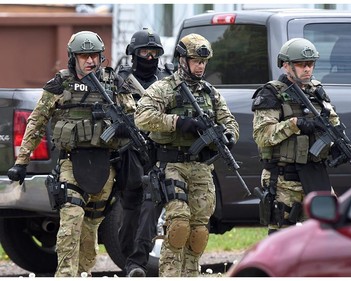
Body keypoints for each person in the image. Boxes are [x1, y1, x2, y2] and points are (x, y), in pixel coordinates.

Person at [7, 31, 136, 277]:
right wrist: (22, 161)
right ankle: (65, 274)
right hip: (71, 162)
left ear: (101, 57)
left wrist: (124, 127)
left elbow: (136, 117)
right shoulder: (60, 85)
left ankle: (82, 270)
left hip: (104, 166)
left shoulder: (115, 84)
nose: (90, 61)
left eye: (94, 56)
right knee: (71, 217)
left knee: (89, 230)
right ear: (73, 58)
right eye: (83, 56)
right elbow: (36, 122)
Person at [134, 33, 239, 277]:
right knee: (179, 224)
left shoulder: (210, 93)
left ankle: (191, 274)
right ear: (182, 60)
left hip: (201, 168)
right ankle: (170, 274)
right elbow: (142, 117)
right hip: (172, 164)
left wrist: (228, 136)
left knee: (200, 229)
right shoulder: (165, 88)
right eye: (195, 61)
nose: (200, 66)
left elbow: (229, 121)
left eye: (203, 62)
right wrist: (179, 122)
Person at [251, 38, 340, 235]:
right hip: (284, 178)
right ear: (286, 65)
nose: (307, 69)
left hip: (315, 174)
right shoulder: (271, 93)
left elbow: (334, 123)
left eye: (310, 64)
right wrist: (296, 124)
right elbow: (262, 135)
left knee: (328, 233)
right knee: (281, 238)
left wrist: (336, 144)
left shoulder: (317, 91)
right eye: (301, 64)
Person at [115, 28, 168, 277]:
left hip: (157, 151)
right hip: (127, 154)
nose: (149, 57)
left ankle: (137, 263)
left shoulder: (166, 82)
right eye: (144, 52)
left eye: (154, 52)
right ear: (133, 54)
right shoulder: (119, 82)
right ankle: (130, 258)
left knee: (151, 201)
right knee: (130, 210)